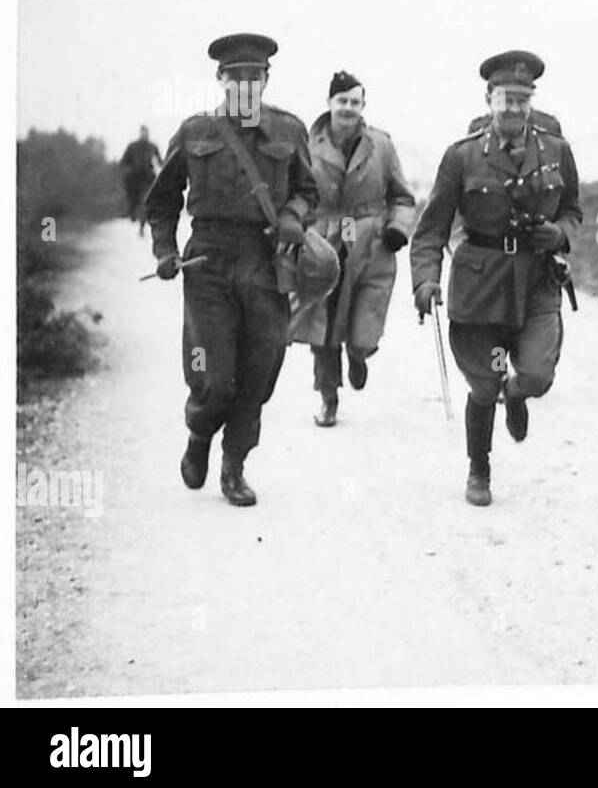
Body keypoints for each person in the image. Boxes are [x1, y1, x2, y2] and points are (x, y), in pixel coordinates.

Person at [145, 33, 318, 507]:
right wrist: (164, 250)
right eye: (235, 77)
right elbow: (162, 201)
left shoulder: (289, 130)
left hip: (266, 264)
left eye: (254, 77)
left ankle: (235, 466)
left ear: (266, 80)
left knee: (259, 370)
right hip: (208, 263)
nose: (245, 85)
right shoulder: (196, 131)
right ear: (221, 80)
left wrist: (292, 216)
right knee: (214, 373)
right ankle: (200, 433)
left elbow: (309, 190)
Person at [410, 50, 581, 507]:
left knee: (539, 374)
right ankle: (479, 470)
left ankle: (517, 391)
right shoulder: (462, 157)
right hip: (480, 282)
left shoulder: (557, 151)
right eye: (505, 98)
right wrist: (425, 281)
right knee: (484, 382)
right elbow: (431, 228)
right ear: (489, 100)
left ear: (531, 103)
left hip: (536, 280)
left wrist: (558, 234)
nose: (514, 108)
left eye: (522, 100)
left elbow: (573, 212)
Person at [291, 70, 416, 427]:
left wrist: (397, 228)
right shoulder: (307, 145)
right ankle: (328, 398)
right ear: (329, 103)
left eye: (355, 102)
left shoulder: (382, 145)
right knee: (324, 327)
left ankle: (359, 354)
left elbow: (402, 196)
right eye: (342, 101)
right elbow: (293, 192)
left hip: (370, 243)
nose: (348, 108)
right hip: (322, 242)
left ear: (363, 106)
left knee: (364, 327)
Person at [119, 125, 162, 235]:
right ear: (140, 133)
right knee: (131, 193)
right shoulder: (132, 146)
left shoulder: (152, 146)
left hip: (147, 176)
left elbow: (160, 161)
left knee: (148, 199)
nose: (145, 135)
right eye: (143, 132)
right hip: (135, 176)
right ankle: (131, 210)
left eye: (146, 132)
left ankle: (143, 224)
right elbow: (124, 161)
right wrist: (127, 169)